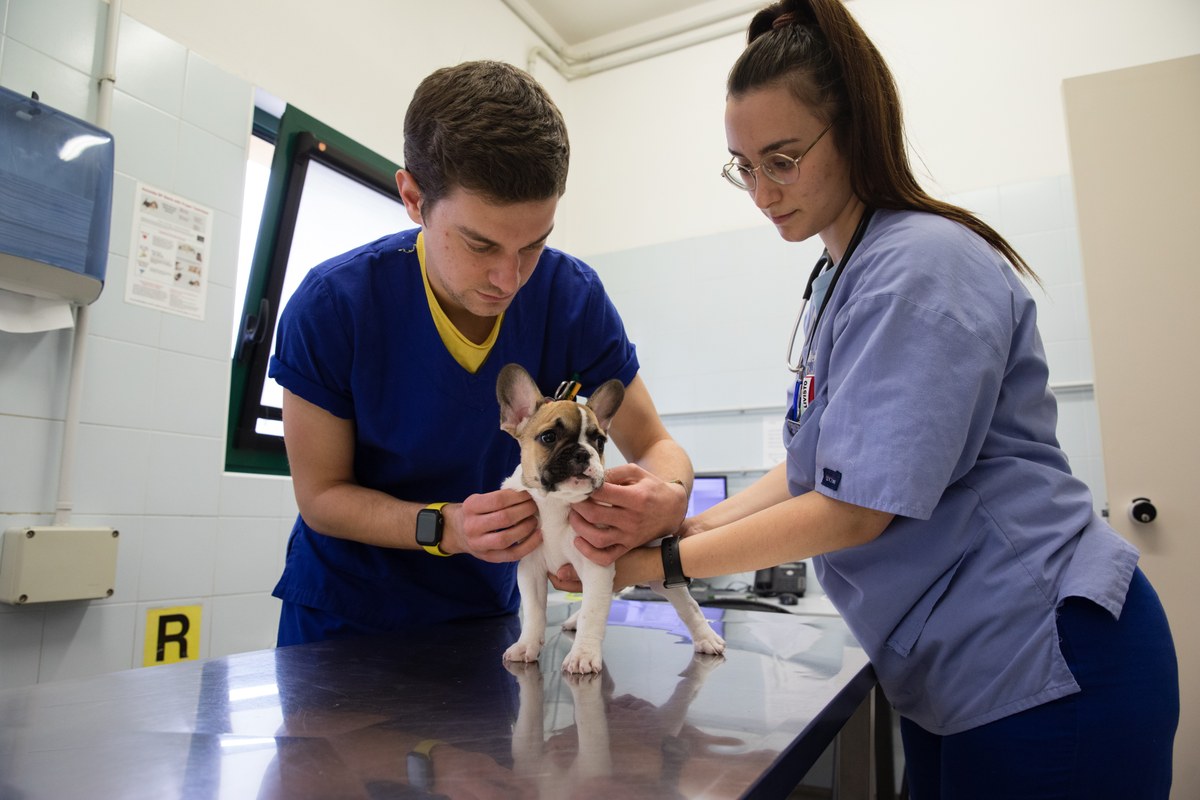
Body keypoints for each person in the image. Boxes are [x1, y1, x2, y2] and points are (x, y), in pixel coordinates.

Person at [598, 2, 1180, 797]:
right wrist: (687, 520)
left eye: (783, 159)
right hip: (960, 678)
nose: (762, 192)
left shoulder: (921, 265)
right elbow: (816, 470)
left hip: (1048, 660)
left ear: (855, 131)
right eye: (744, 166)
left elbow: (856, 509)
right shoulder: (848, 276)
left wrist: (658, 562)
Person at [268, 60, 693, 647]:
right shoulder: (334, 306)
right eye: (480, 243)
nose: (510, 278)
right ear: (414, 198)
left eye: (534, 244)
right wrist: (447, 527)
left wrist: (666, 499)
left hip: (488, 619)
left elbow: (655, 447)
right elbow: (321, 498)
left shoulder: (572, 297)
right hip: (346, 621)